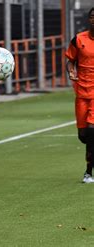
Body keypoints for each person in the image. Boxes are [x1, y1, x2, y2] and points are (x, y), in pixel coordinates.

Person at [66, 7, 94, 183]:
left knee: (92, 131)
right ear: (89, 19)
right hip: (82, 92)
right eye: (92, 17)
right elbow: (71, 61)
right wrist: (71, 72)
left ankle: (88, 172)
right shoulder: (78, 39)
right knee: (84, 135)